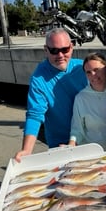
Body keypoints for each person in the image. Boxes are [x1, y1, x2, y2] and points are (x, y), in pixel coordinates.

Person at [14, 28, 87, 163]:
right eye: (54, 50)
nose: (60, 55)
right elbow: (35, 115)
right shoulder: (38, 78)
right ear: (45, 50)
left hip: (89, 139)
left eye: (65, 49)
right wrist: (27, 150)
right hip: (60, 143)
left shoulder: (84, 68)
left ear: (72, 47)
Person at [67, 52, 106, 156]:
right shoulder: (81, 98)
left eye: (97, 70)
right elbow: (77, 130)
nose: (93, 75)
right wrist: (70, 146)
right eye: (88, 72)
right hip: (94, 155)